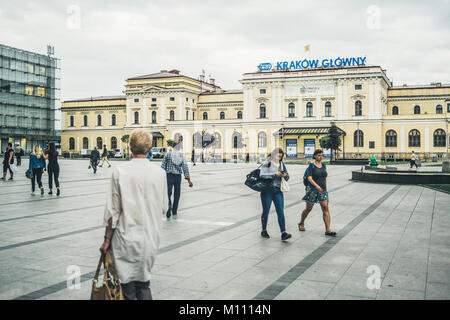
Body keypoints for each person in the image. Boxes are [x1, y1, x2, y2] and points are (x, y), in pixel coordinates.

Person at [99, 129, 168, 300]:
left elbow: (113, 211)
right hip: (150, 237)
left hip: (125, 238)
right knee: (144, 283)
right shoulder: (160, 173)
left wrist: (107, 239)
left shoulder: (120, 171)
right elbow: (164, 207)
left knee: (126, 286)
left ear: (130, 147)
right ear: (150, 148)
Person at [299, 149, 336, 237]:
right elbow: (309, 178)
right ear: (315, 156)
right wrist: (317, 186)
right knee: (308, 209)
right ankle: (301, 222)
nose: (321, 156)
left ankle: (328, 229)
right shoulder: (311, 166)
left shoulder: (323, 165)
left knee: (325, 208)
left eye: (322, 155)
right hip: (312, 190)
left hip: (323, 190)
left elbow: (324, 177)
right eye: (319, 155)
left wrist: (324, 189)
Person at [258, 148, 292, 241]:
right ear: (273, 155)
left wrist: (284, 175)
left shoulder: (281, 164)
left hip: (278, 191)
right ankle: (264, 230)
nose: (279, 158)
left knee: (280, 211)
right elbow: (262, 175)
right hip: (267, 191)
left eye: (281, 157)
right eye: (278, 156)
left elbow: (288, 177)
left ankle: (283, 232)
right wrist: (274, 174)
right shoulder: (267, 163)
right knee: (266, 211)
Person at [161, 138, 193, 218]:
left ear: (172, 146)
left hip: (169, 176)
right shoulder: (181, 156)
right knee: (177, 194)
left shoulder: (167, 154)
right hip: (178, 177)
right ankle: (174, 210)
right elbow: (185, 167)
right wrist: (189, 180)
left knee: (168, 193)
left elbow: (162, 167)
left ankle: (169, 207)